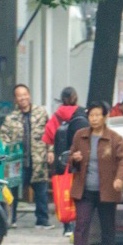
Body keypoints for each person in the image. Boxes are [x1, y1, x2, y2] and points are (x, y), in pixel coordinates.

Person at [65, 101, 123, 245]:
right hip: (84, 190)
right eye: (90, 115)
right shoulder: (80, 136)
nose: (93, 119)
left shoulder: (115, 139)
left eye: (97, 115)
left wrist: (119, 179)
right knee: (81, 227)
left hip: (107, 191)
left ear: (105, 117)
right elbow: (71, 157)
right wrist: (74, 158)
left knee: (107, 229)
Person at [0, 84, 52, 227]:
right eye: (19, 95)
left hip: (38, 158)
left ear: (29, 95)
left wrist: (51, 151)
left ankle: (42, 220)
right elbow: (4, 137)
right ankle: (11, 219)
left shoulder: (41, 113)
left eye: (24, 94)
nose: (22, 98)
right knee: (12, 190)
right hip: (17, 161)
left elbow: (50, 132)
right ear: (15, 99)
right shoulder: (11, 118)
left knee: (41, 190)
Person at [44, 88, 87, 236]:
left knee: (64, 191)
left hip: (62, 160)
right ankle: (79, 224)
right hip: (80, 159)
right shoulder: (82, 113)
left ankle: (67, 226)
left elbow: (48, 135)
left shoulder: (57, 116)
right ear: (75, 97)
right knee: (80, 192)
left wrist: (51, 151)